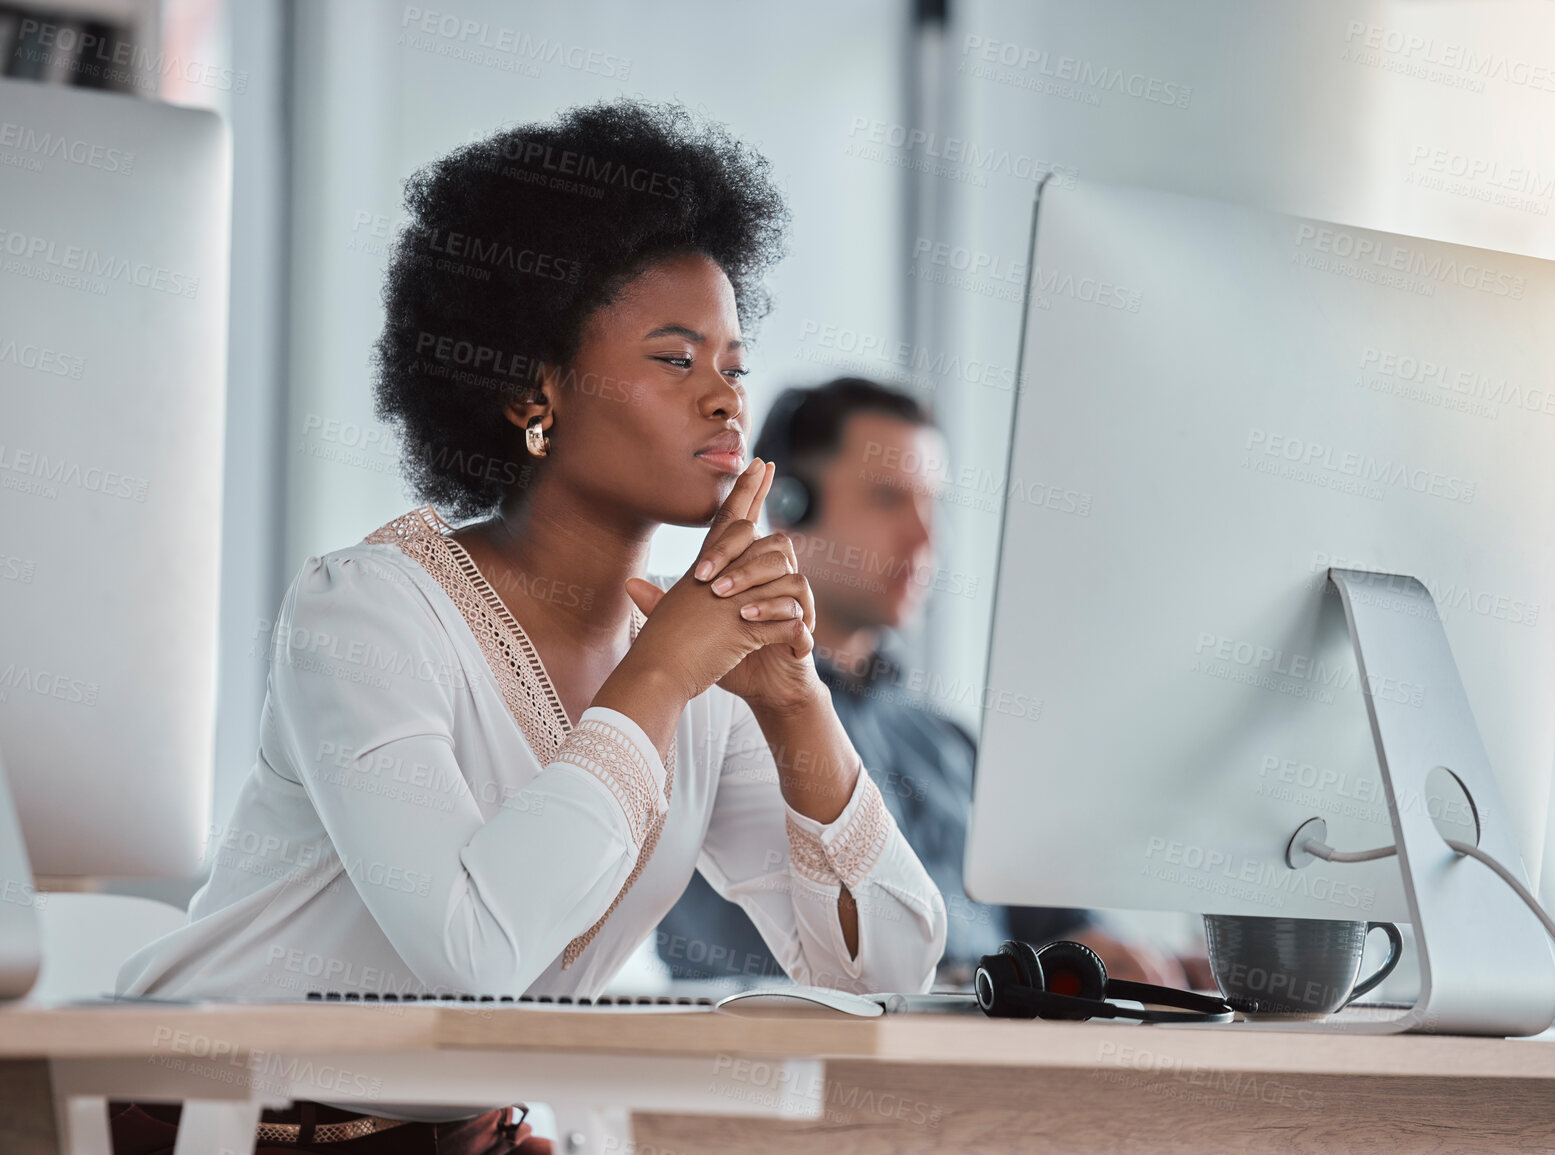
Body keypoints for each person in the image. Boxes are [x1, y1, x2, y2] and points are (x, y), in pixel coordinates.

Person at [107, 102, 945, 1155]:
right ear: (530, 389)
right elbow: (472, 957)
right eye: (676, 361)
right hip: (222, 1138)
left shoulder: (706, 674)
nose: (727, 402)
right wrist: (664, 674)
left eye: (734, 364)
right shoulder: (365, 610)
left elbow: (891, 973)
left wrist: (793, 701)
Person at [656, 378, 1190, 989]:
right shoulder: (712, 715)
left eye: (933, 504)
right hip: (800, 1063)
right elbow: (776, 958)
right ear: (790, 508)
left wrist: (1116, 956)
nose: (928, 540)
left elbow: (1054, 921)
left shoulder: (947, 743)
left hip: (977, 1057)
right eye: (888, 499)